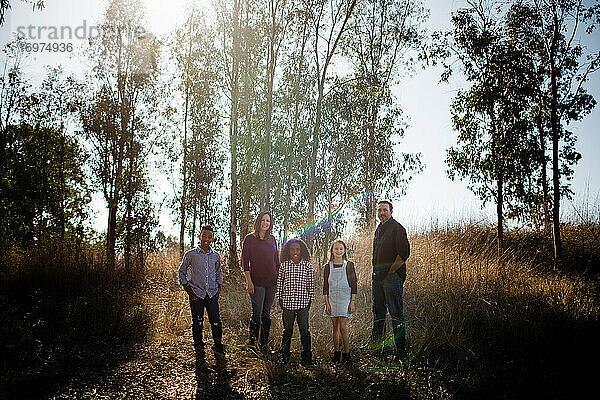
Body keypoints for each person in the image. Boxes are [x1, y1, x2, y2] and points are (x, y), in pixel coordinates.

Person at [370, 200, 410, 362]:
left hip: (391, 277)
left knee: (395, 313)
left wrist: (391, 272)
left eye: (385, 210)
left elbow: (404, 253)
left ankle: (400, 352)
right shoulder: (379, 229)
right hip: (377, 277)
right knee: (378, 312)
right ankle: (377, 345)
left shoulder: (397, 228)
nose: (382, 213)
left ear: (391, 211)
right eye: (379, 210)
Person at [178, 225, 225, 357]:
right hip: (196, 293)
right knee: (197, 320)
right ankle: (198, 345)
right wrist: (188, 289)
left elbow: (218, 272)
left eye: (209, 237)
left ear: (212, 239)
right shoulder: (191, 254)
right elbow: (181, 272)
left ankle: (217, 344)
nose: (206, 239)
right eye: (204, 236)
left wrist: (218, 288)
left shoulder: (215, 255)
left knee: (215, 320)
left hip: (211, 293)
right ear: (199, 237)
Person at [241, 211, 280, 350]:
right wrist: (248, 281)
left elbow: (277, 261)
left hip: (272, 282)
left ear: (270, 223)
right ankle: (252, 344)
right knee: (257, 313)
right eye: (263, 220)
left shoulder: (273, 239)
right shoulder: (249, 239)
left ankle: (263, 345)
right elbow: (245, 262)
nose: (265, 223)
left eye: (268, 221)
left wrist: (279, 280)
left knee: (266, 313)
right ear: (258, 222)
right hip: (256, 282)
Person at [276, 238, 314, 365]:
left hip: (303, 303)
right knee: (287, 329)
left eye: (298, 249)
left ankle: (307, 357)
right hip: (288, 303)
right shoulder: (284, 266)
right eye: (292, 250)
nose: (295, 252)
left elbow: (310, 285)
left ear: (302, 251)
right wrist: (279, 297)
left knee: (304, 330)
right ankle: (285, 356)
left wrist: (310, 299)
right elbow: (279, 283)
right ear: (288, 251)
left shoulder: (307, 265)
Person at [323, 239, 357, 364]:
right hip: (332, 300)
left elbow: (354, 284)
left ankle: (347, 355)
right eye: (336, 249)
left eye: (341, 249)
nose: (338, 251)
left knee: (343, 326)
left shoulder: (349, 265)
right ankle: (336, 354)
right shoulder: (328, 266)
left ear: (344, 251)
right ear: (332, 251)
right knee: (335, 327)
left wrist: (352, 301)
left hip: (344, 299)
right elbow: (325, 287)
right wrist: (326, 303)